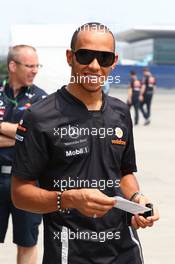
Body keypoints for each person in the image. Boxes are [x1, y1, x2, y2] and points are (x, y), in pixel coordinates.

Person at [12, 23, 159, 264]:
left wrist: (137, 200)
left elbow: (124, 174)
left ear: (114, 61)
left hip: (124, 249)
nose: (94, 65)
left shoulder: (121, 112)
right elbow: (20, 194)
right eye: (85, 55)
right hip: (70, 251)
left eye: (104, 57)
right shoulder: (40, 116)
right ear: (70, 57)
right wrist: (69, 199)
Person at [0, 45, 47, 264]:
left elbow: (36, 140)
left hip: (27, 181)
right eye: (29, 65)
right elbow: (24, 135)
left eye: (37, 65)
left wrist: (3, 127)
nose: (35, 70)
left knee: (27, 242)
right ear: (12, 66)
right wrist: (20, 133)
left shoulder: (41, 100)